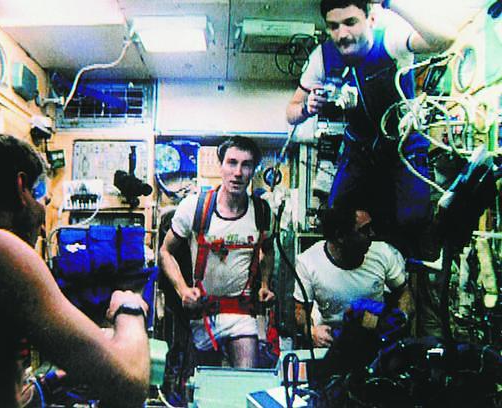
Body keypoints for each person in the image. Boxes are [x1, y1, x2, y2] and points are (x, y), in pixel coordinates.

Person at [0, 134, 150, 408]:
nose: (43, 226)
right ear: (22, 188)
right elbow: (129, 384)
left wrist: (50, 383)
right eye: (41, 198)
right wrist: (129, 308)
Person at [286, 0, 456, 256]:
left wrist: (390, 2)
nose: (342, 34)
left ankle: (406, 268)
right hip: (359, 150)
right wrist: (307, 108)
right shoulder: (322, 57)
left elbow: (445, 40)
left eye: (350, 22)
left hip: (403, 147)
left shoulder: (389, 40)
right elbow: (291, 113)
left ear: (371, 19)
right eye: (333, 26)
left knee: (412, 221)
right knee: (337, 219)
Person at [159, 136, 275, 368]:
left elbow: (268, 250)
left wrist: (264, 284)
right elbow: (165, 252)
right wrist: (183, 290)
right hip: (202, 312)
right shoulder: (194, 208)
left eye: (246, 165)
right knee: (204, 382)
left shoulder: (262, 212)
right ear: (220, 166)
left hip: (242, 313)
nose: (238, 172)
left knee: (246, 380)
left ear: (253, 170)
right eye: (232, 163)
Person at [294, 205, 414, 347]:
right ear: (340, 236)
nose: (372, 234)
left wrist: (401, 318)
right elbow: (300, 310)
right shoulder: (308, 262)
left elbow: (404, 292)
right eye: (364, 230)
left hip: (374, 338)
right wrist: (311, 331)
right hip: (333, 343)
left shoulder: (383, 253)